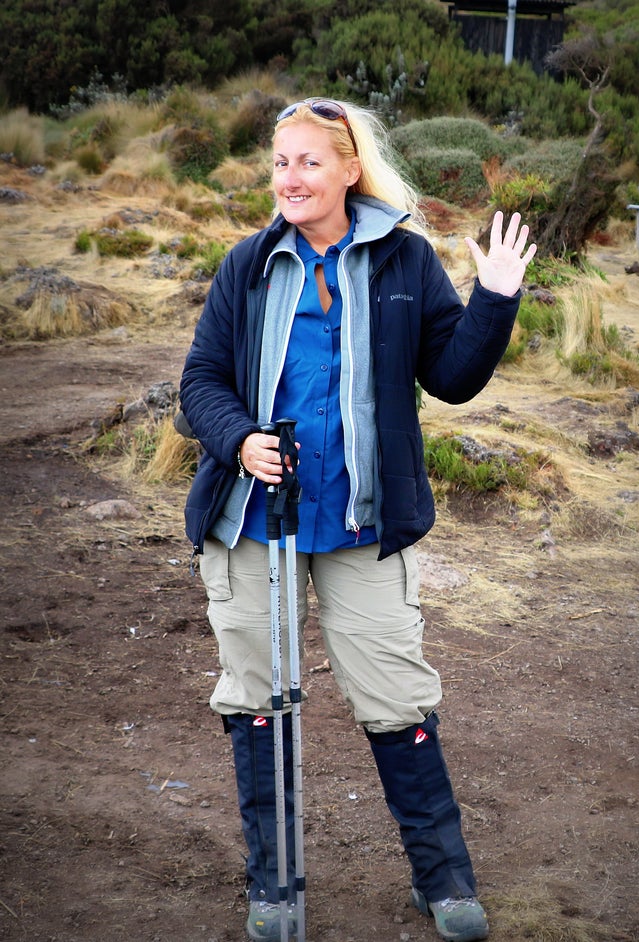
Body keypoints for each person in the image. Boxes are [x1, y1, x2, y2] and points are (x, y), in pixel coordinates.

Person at [179, 97, 536, 942]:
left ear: (348, 169)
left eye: (309, 162)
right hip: (253, 520)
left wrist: (495, 299)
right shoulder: (248, 265)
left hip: (361, 519)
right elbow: (201, 382)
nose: (291, 179)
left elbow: (451, 377)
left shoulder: (404, 262)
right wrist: (241, 441)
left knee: (397, 694)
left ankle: (442, 879)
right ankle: (273, 886)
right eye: (280, 164)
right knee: (259, 699)